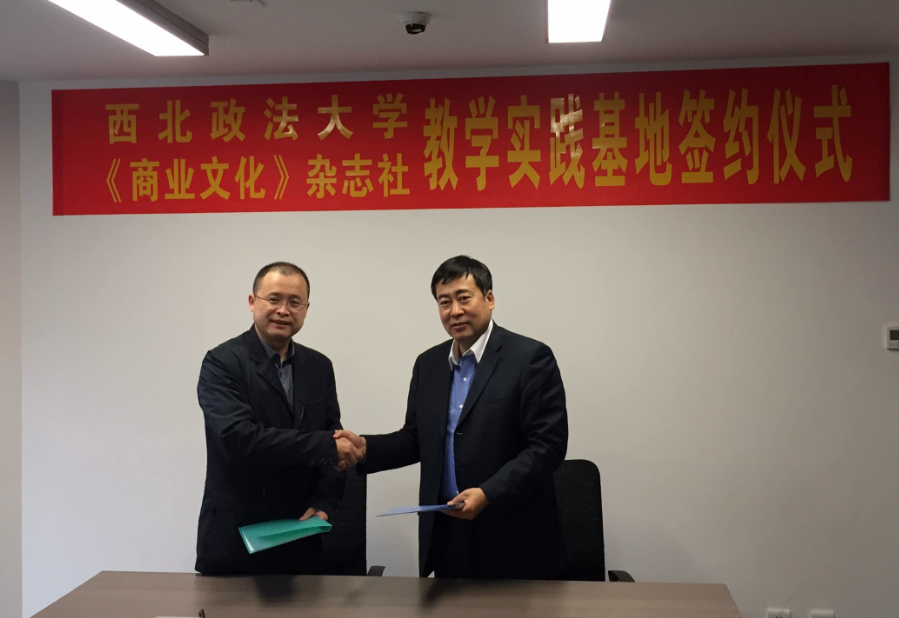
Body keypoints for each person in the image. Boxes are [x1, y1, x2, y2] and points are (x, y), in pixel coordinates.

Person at [337, 255, 568, 579]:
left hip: (514, 534)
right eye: (444, 302)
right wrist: (366, 448)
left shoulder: (529, 358)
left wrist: (488, 493)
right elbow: (416, 438)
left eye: (464, 298)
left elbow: (547, 446)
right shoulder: (429, 364)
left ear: (489, 299)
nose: (454, 311)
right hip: (447, 532)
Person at [195, 261, 362, 575]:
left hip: (301, 535)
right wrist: (326, 446)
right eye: (274, 299)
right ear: (252, 302)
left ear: (306, 309)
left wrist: (325, 502)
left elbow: (333, 436)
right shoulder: (222, 363)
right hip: (237, 539)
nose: (283, 310)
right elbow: (238, 438)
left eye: (294, 302)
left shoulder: (319, 367)